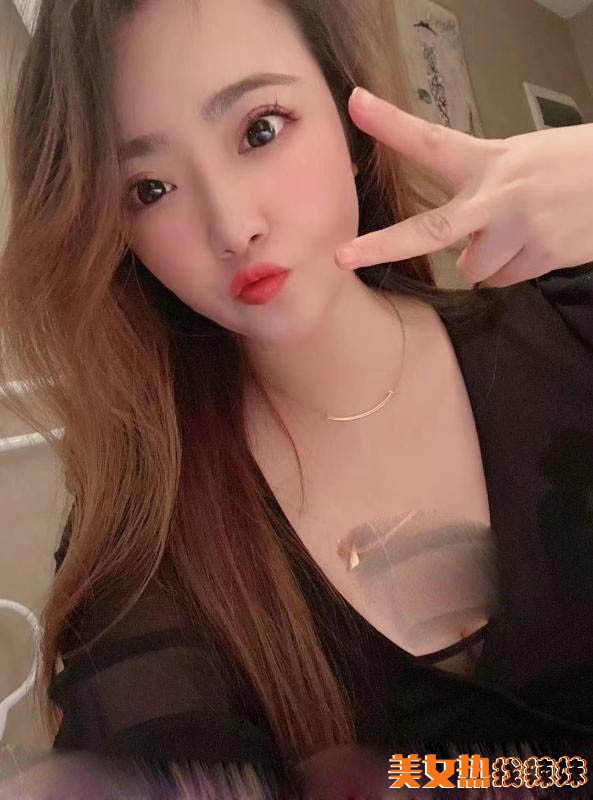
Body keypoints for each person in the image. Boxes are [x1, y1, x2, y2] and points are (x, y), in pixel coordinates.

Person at [0, 0, 592, 796]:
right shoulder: (149, 546)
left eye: (261, 129)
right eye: (150, 187)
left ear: (348, 117)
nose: (232, 226)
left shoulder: (567, 330)